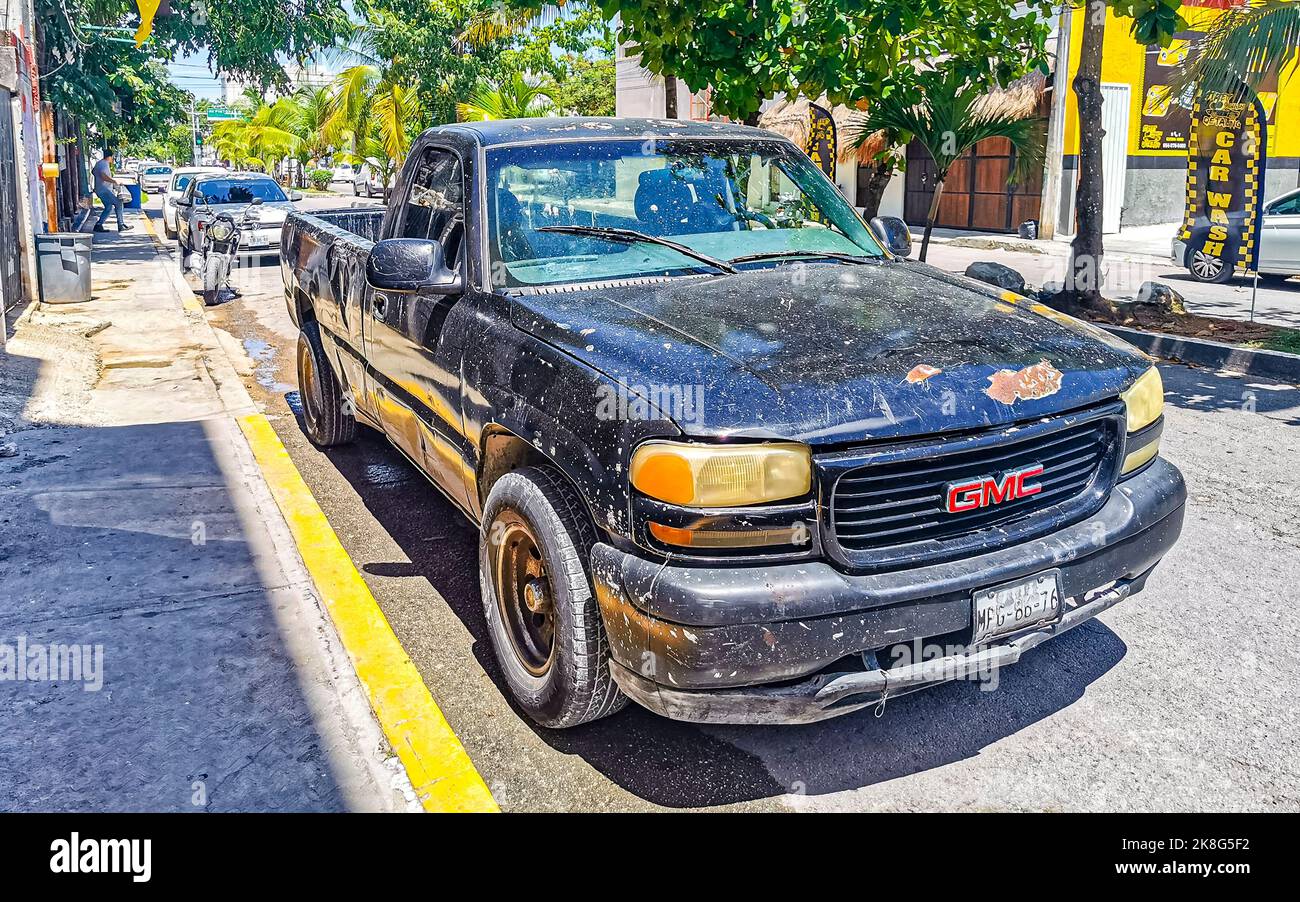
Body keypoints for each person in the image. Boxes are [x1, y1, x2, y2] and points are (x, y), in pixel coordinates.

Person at [91, 150, 132, 233]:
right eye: (112, 157)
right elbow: (103, 175)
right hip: (104, 189)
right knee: (118, 203)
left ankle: (98, 225)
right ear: (110, 157)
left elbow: (93, 172)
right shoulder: (104, 164)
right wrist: (114, 181)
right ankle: (121, 224)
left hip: (100, 189)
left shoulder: (99, 163)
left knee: (109, 207)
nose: (112, 159)